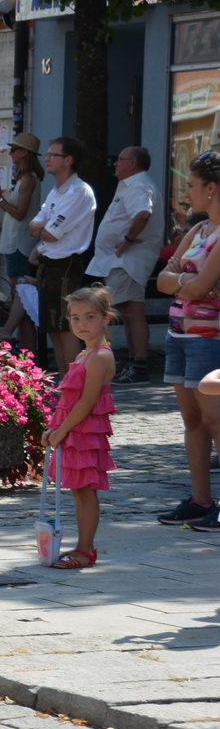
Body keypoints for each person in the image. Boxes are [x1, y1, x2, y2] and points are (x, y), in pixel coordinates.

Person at [154, 151, 220, 529]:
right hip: (179, 334)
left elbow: (198, 286)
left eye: (192, 186)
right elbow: (163, 281)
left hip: (209, 337)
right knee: (192, 420)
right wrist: (185, 283)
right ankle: (201, 499)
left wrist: (182, 282)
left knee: (215, 419)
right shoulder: (198, 230)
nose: (186, 193)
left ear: (211, 188)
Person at [42, 286, 118, 568]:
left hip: (86, 433)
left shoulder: (100, 356)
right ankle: (81, 546)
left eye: (89, 317)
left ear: (106, 319)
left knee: (85, 490)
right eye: (75, 318)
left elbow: (87, 401)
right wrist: (54, 427)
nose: (81, 324)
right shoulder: (84, 354)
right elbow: (70, 400)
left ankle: (86, 550)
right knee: (78, 490)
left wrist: (62, 430)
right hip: (74, 431)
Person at [87, 146, 161, 383]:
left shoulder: (139, 185)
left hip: (127, 260)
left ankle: (138, 366)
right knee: (128, 313)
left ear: (133, 163)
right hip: (119, 260)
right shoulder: (130, 185)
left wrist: (127, 240)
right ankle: (133, 364)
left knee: (131, 312)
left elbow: (143, 214)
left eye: (120, 159)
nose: (115, 163)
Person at [29, 137, 98, 371]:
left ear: (68, 160)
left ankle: (74, 383)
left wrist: (43, 226)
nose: (46, 159)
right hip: (49, 264)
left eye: (52, 155)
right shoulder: (57, 191)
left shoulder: (78, 191)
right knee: (53, 329)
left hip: (65, 264)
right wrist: (44, 225)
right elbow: (32, 227)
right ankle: (64, 382)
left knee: (65, 328)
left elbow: (49, 234)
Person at [0, 134, 45, 347]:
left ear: (24, 153)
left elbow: (19, 213)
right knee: (24, 303)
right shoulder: (24, 178)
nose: (10, 153)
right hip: (16, 242)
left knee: (22, 294)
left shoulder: (28, 179)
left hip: (20, 243)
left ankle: (9, 332)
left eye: (14, 149)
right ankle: (29, 352)